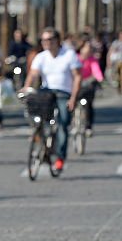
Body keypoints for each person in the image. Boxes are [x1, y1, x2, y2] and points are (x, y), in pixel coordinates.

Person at [24, 28, 81, 172]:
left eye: (49, 40)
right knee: (36, 112)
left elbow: (77, 76)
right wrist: (26, 88)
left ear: (57, 41)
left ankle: (60, 157)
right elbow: (34, 74)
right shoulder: (41, 56)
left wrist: (73, 97)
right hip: (46, 92)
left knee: (62, 123)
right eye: (43, 40)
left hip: (64, 92)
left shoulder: (69, 55)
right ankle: (40, 137)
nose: (46, 43)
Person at [78, 40, 104, 135]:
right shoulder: (76, 58)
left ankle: (88, 126)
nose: (88, 50)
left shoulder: (92, 60)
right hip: (77, 85)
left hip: (88, 85)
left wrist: (99, 78)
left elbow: (96, 70)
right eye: (87, 47)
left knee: (88, 105)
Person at [106, 30, 122, 95]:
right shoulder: (116, 43)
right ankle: (119, 88)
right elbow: (110, 52)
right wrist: (109, 61)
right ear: (119, 35)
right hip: (116, 62)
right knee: (117, 76)